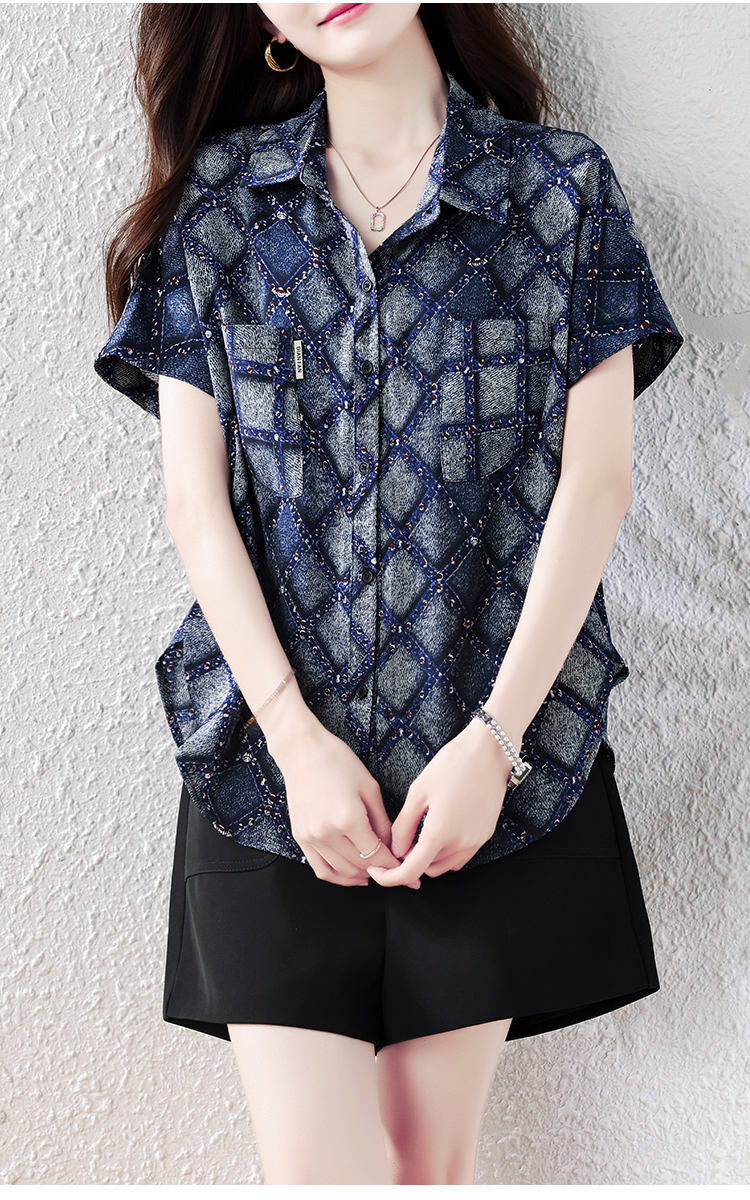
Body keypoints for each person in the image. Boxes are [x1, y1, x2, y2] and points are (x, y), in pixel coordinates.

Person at [95, 2, 683, 1185]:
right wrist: (295, 742)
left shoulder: (559, 192)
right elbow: (195, 506)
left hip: (485, 770)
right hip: (267, 774)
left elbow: (597, 486)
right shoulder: (220, 206)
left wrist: (496, 745)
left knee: (425, 1167)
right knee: (319, 1174)